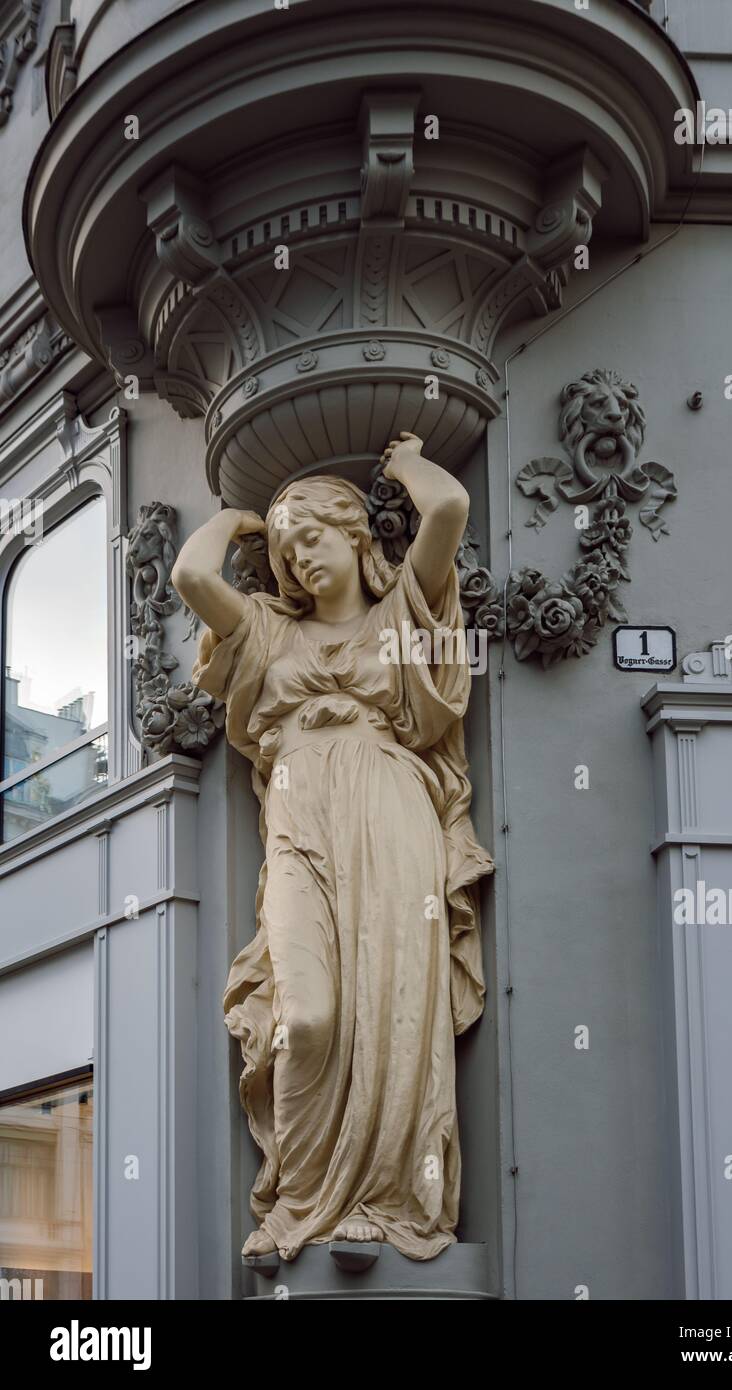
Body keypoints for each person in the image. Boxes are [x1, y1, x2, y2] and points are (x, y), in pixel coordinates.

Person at [172, 432, 494, 1261]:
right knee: (306, 1015)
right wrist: (246, 519)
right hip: (298, 813)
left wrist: (403, 464)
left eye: (309, 535)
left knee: (396, 1005)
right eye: (284, 549)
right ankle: (300, 1200)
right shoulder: (269, 635)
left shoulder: (403, 613)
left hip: (391, 808)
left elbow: (449, 507)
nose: (296, 557)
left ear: (355, 533)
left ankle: (388, 1201)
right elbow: (192, 577)